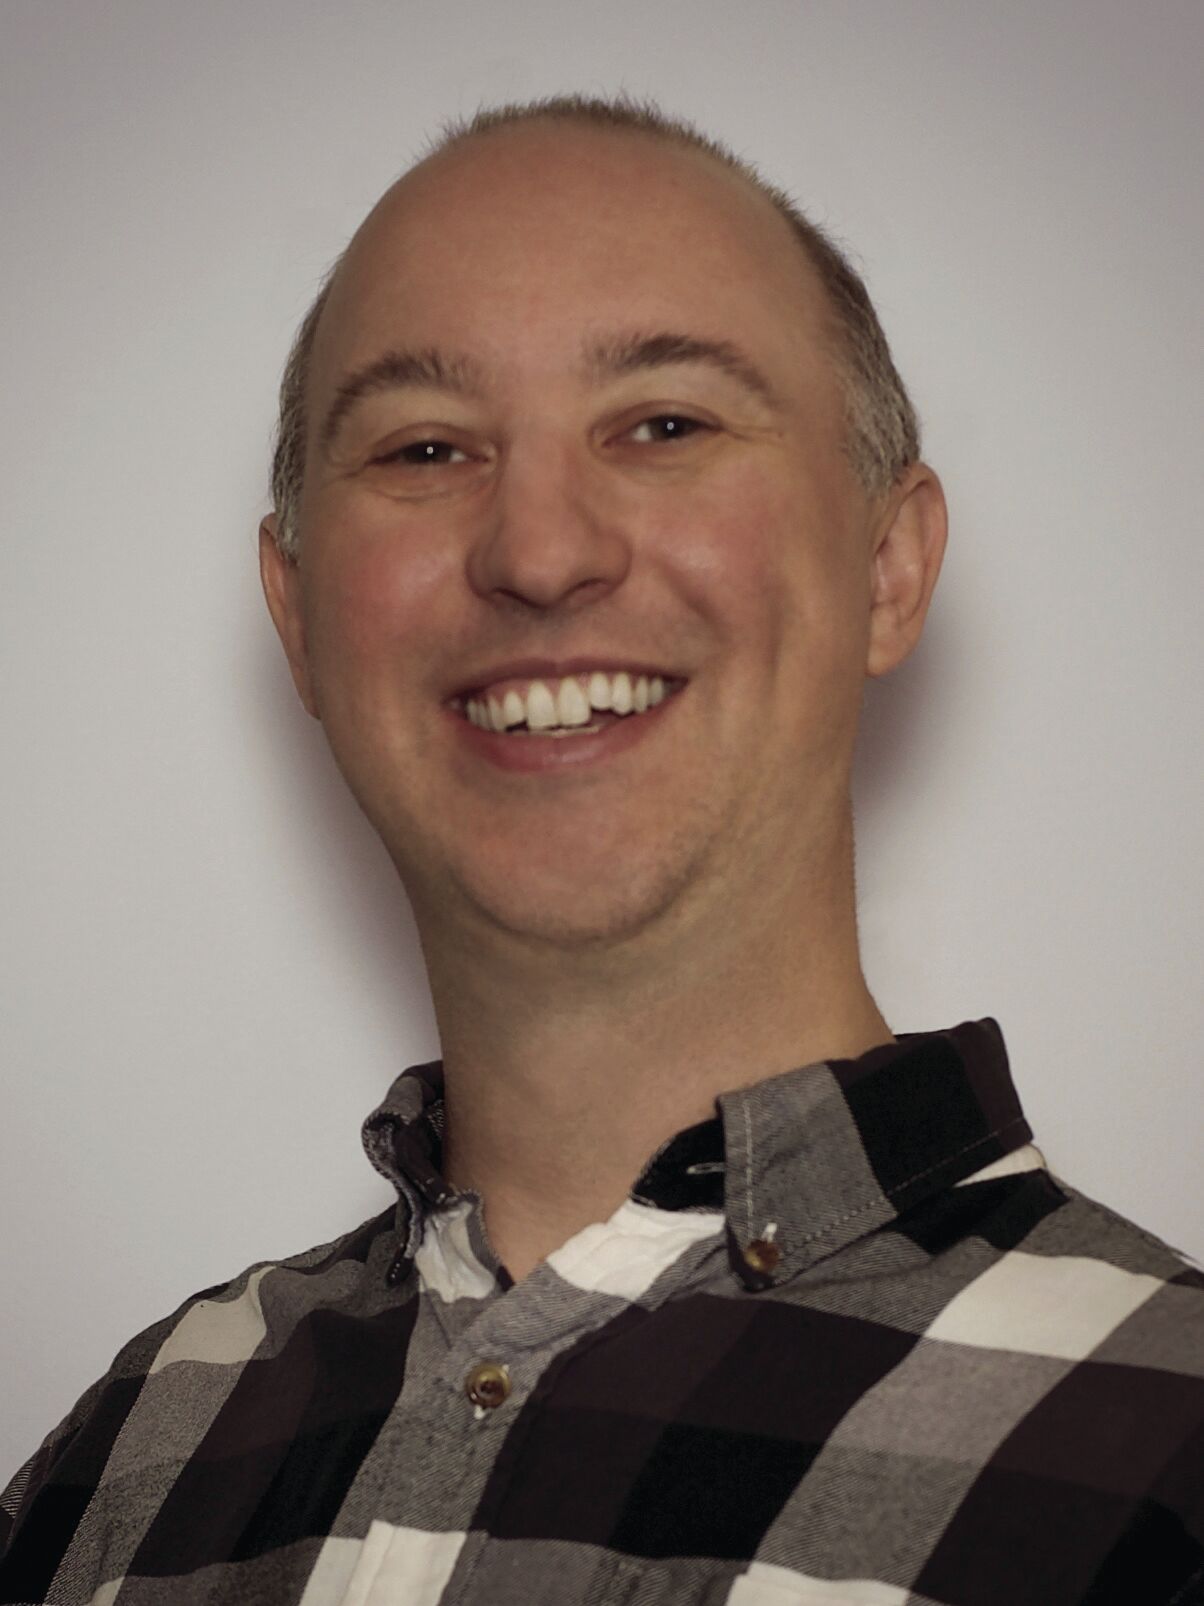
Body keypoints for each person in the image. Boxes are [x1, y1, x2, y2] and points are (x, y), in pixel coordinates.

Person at [2, 93, 1200, 1606]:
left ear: (888, 567)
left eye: (665, 424)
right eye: (426, 447)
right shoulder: (123, 1466)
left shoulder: (1165, 1461)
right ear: (296, 617)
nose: (539, 550)